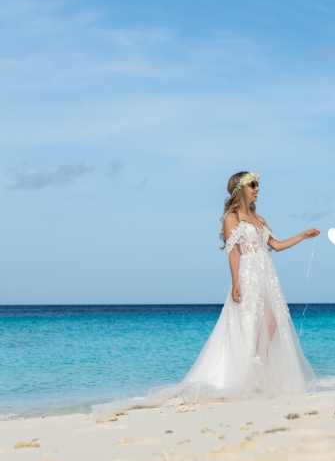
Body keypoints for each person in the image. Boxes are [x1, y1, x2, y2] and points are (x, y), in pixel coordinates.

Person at [94, 171, 319, 413]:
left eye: (257, 185)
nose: (257, 189)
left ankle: (258, 375)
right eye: (253, 184)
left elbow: (276, 245)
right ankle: (251, 376)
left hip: (266, 273)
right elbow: (233, 253)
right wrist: (235, 282)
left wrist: (304, 236)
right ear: (240, 188)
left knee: (271, 322)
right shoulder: (231, 218)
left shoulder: (259, 218)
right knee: (253, 324)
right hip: (249, 275)